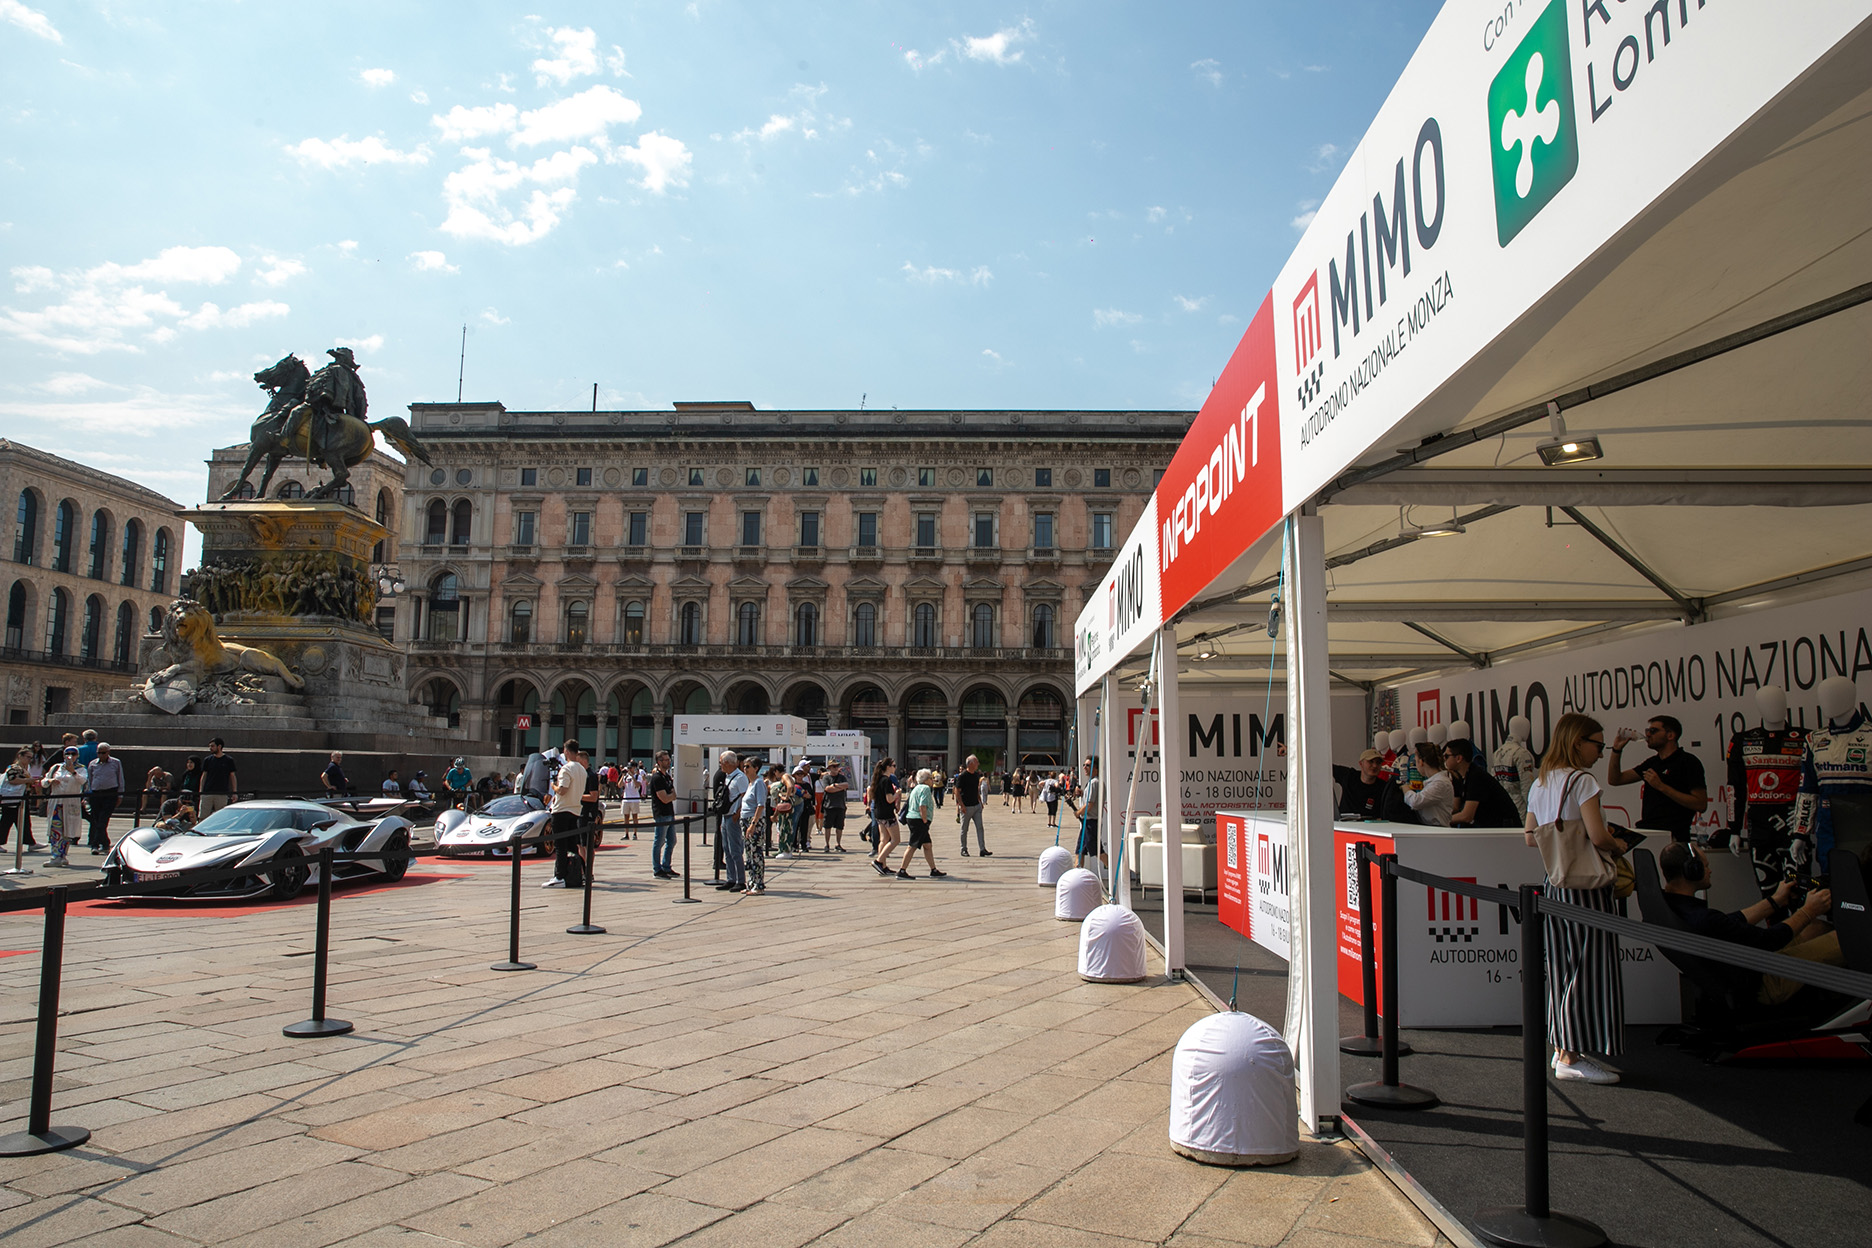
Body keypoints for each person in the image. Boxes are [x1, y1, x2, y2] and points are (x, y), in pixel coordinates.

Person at [1524, 712, 1625, 1084]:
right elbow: (1599, 837)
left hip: (1554, 881)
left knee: (1564, 967)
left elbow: (1530, 836)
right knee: (1588, 966)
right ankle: (1570, 1054)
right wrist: (1619, 845)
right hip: (1586, 887)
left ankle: (1563, 1048)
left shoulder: (1542, 782)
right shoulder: (1582, 781)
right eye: (1597, 744)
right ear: (1578, 741)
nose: (1600, 751)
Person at [1659, 842, 1842, 1007]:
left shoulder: (1675, 908)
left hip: (1743, 972)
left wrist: (1775, 901)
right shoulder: (1704, 919)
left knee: (1816, 928)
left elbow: (1730, 923)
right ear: (1693, 871)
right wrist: (1809, 910)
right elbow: (1769, 940)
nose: (1710, 871)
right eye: (1706, 866)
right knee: (1848, 941)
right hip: (1763, 982)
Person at [1606, 715, 1709, 842]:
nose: (1648, 735)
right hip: (1648, 831)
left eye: (1653, 731)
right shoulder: (1653, 763)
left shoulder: (1688, 762)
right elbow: (1615, 780)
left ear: (1670, 735)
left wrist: (1662, 787)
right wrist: (1617, 750)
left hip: (1673, 835)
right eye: (1647, 731)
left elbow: (1701, 804)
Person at [1444, 739, 1521, 828]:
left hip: (1504, 826)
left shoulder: (1476, 776)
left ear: (1458, 758)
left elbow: (1467, 816)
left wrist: (1441, 820)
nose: (1444, 759)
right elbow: (1455, 807)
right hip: (1490, 825)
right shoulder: (1459, 776)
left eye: (1446, 756)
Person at [543, 738, 588, 890]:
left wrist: (553, 786)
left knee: (560, 845)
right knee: (571, 845)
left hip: (562, 810)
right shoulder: (582, 769)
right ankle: (577, 872)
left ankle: (559, 876)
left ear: (567, 751)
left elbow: (563, 789)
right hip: (575, 810)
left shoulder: (566, 769)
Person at [897, 768, 947, 879]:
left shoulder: (916, 788)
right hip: (919, 820)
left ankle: (933, 870)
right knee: (912, 845)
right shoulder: (925, 789)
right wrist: (924, 820)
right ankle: (902, 870)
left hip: (912, 818)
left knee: (927, 845)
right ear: (926, 779)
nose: (932, 780)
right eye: (931, 778)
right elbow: (922, 805)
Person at [43, 745, 87, 866]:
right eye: (68, 754)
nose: (70, 756)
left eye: (73, 754)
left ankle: (63, 855)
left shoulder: (81, 768)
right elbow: (44, 782)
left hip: (71, 802)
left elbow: (83, 781)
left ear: (77, 756)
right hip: (57, 801)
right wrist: (50, 781)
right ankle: (55, 855)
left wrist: (72, 771)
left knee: (68, 829)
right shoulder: (56, 767)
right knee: (55, 829)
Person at [85, 742, 125, 854]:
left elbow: (120, 779)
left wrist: (120, 795)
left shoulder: (116, 763)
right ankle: (105, 842)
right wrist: (87, 795)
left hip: (110, 793)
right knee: (97, 819)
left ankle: (95, 844)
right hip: (96, 793)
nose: (101, 755)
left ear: (108, 752)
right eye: (99, 753)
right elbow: (90, 780)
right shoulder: (92, 764)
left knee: (103, 819)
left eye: (103, 753)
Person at [1402, 742, 1455, 827]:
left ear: (1421, 762)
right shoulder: (1434, 782)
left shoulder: (1440, 783)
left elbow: (1415, 802)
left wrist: (1405, 789)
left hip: (1438, 830)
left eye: (1416, 762)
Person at [738, 760, 770, 895]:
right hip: (745, 819)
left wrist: (753, 823)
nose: (745, 769)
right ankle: (751, 882)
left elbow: (760, 804)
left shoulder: (758, 784)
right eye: (744, 766)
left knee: (756, 851)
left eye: (748, 767)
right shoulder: (750, 784)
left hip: (754, 820)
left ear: (756, 768)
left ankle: (758, 884)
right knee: (749, 852)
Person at [717, 750, 748, 892]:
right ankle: (731, 878)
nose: (721, 766)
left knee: (735, 849)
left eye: (722, 763)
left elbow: (745, 796)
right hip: (726, 815)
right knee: (727, 848)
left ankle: (740, 880)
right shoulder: (728, 776)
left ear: (728, 763)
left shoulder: (740, 777)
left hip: (733, 816)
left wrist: (738, 813)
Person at [868, 758, 902, 877]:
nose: (895, 767)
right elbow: (889, 799)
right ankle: (879, 861)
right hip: (887, 814)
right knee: (895, 839)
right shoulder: (886, 781)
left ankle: (883, 865)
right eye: (893, 765)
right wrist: (897, 793)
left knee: (884, 839)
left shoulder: (877, 780)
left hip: (878, 812)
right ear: (888, 767)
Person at [1333, 750, 1388, 819]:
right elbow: (1326, 767)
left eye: (1378, 763)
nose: (1374, 766)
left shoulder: (1384, 787)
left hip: (1369, 827)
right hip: (1344, 825)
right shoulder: (1349, 776)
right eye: (1371, 761)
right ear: (1361, 764)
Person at [648, 750, 677, 878]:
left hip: (669, 812)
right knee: (659, 841)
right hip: (661, 813)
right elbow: (664, 798)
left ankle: (666, 866)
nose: (668, 762)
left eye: (669, 759)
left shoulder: (667, 776)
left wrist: (670, 796)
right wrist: (671, 796)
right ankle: (657, 868)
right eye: (665, 760)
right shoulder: (657, 778)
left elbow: (673, 795)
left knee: (671, 840)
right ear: (659, 762)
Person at [955, 754, 991, 857]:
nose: (978, 764)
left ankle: (982, 849)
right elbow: (957, 791)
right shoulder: (962, 776)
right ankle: (964, 849)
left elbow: (976, 790)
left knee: (980, 827)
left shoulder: (976, 775)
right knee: (964, 829)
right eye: (976, 762)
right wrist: (961, 805)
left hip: (976, 806)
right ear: (970, 764)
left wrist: (980, 801)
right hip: (966, 807)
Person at [2, 748, 35, 851]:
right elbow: (12, 780)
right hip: (12, 798)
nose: (29, 760)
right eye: (27, 757)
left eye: (31, 758)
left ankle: (30, 842)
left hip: (20, 798)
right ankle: (30, 842)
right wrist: (28, 780)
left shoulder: (25, 768)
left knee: (23, 821)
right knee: (6, 821)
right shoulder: (14, 768)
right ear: (20, 756)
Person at [1076, 757, 1104, 869]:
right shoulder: (1091, 783)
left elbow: (1090, 804)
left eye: (1088, 765)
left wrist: (1078, 812)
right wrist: (1082, 793)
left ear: (1095, 768)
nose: (1085, 768)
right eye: (1084, 765)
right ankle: (1077, 873)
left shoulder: (1094, 782)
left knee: (1098, 852)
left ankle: (1117, 871)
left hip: (1091, 823)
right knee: (1079, 851)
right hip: (1087, 822)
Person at [198, 738, 238, 815]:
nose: (210, 748)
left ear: (219, 746)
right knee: (203, 815)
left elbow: (232, 776)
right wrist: (201, 791)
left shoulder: (228, 760)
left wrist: (234, 792)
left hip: (221, 792)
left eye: (212, 746)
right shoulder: (208, 760)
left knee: (221, 816)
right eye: (210, 746)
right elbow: (204, 776)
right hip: (207, 792)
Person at [821, 760, 850, 852]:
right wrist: (839, 788)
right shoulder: (826, 778)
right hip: (829, 805)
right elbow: (828, 789)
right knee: (827, 826)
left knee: (840, 826)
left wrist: (835, 785)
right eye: (833, 766)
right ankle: (827, 844)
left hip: (840, 805)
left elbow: (846, 785)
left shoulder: (842, 777)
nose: (836, 768)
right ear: (829, 768)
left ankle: (838, 844)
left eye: (837, 766)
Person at [621, 762, 644, 841]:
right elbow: (620, 785)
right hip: (626, 798)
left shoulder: (638, 776)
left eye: (631, 768)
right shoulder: (625, 777)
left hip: (634, 798)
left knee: (635, 817)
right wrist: (623, 776)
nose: (630, 770)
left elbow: (637, 785)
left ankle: (635, 833)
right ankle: (626, 833)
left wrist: (633, 777)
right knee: (626, 817)